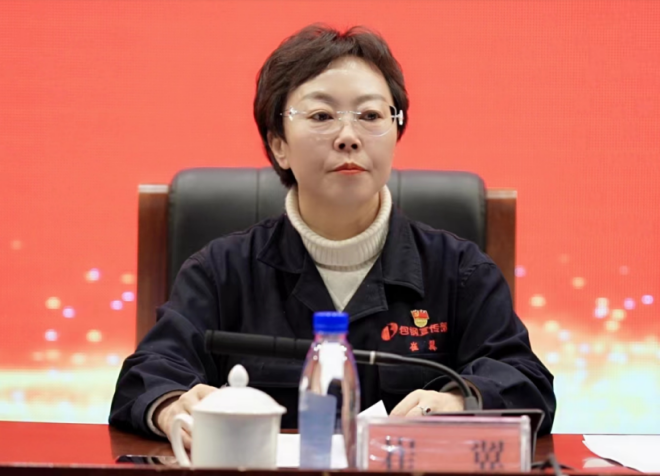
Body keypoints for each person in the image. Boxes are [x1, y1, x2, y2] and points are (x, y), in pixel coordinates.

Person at [109, 24, 556, 447]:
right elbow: (149, 374)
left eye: (370, 115)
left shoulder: (459, 271)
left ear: (396, 133)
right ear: (279, 144)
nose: (348, 136)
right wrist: (172, 406)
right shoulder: (221, 272)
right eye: (322, 115)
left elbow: (526, 381)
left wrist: (462, 401)